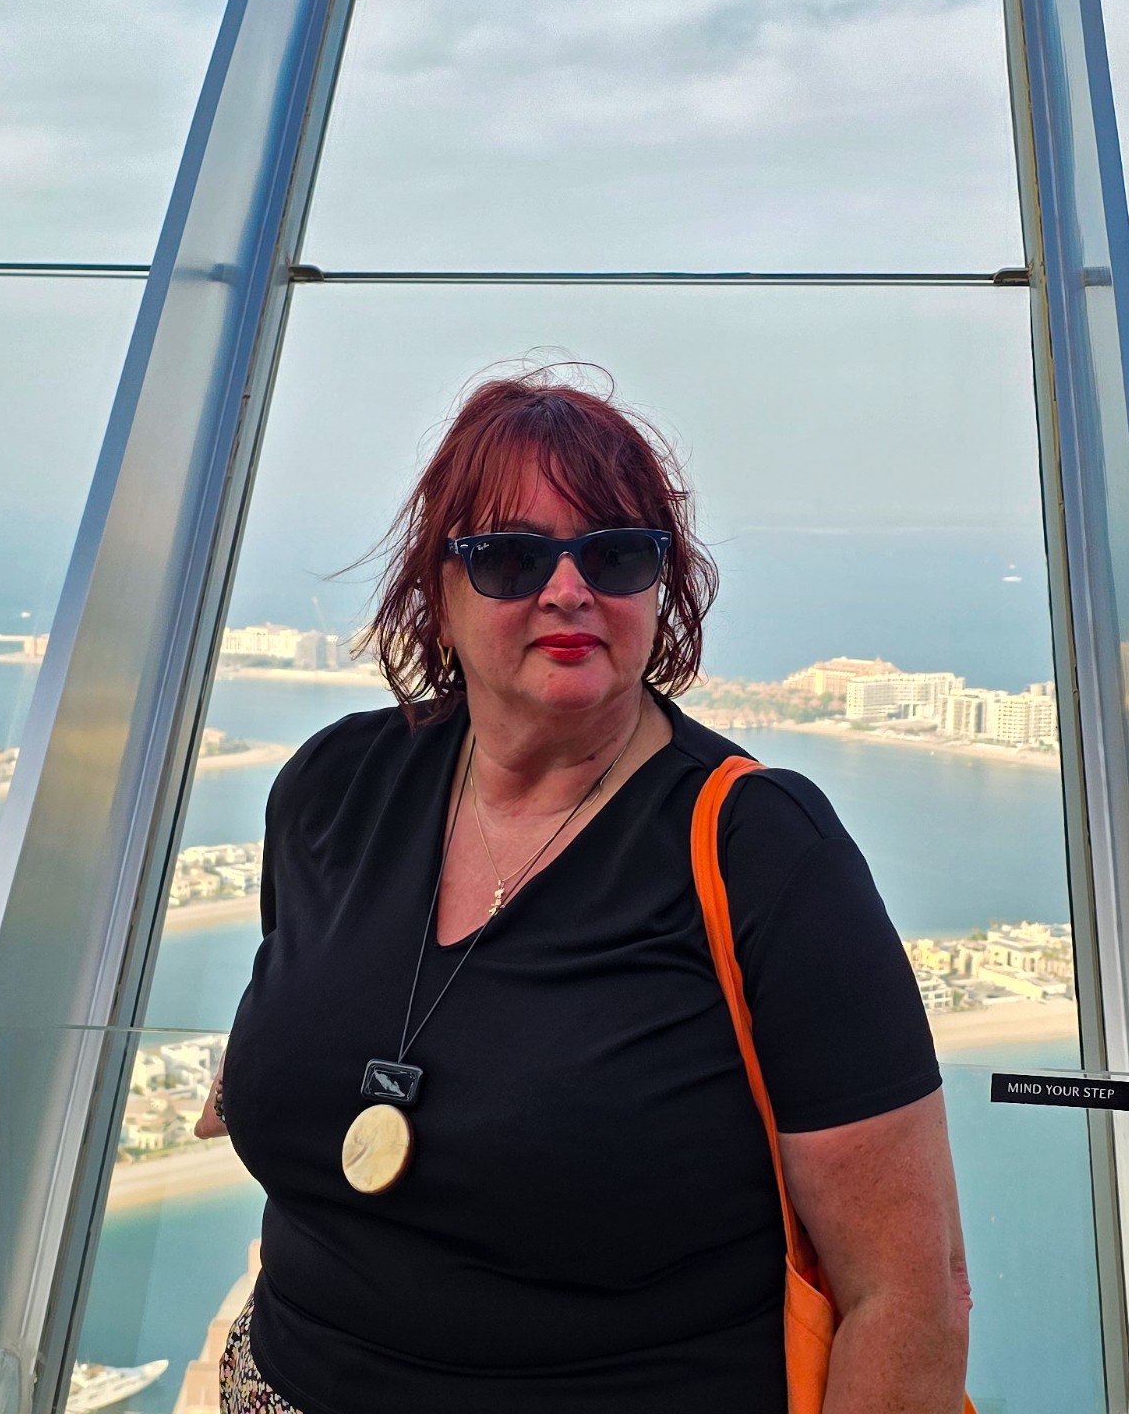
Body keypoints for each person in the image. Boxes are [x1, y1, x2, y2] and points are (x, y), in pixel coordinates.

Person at [197, 365, 968, 1413]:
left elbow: (909, 1293)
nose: (567, 590)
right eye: (511, 557)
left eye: (614, 554)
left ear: (661, 586)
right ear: (437, 586)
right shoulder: (334, 788)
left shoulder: (764, 852)